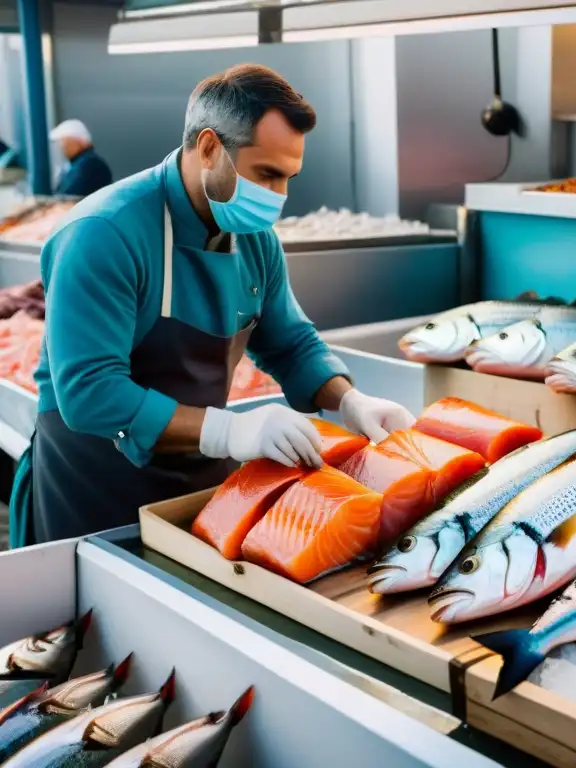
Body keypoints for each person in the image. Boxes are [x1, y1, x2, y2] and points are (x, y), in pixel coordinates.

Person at [10, 64, 416, 546]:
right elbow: (90, 392)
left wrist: (349, 399)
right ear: (208, 149)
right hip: (91, 483)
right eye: (266, 174)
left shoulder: (254, 239)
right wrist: (227, 432)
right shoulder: (104, 233)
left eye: (289, 178)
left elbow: (290, 341)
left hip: (194, 476)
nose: (278, 197)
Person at [49, 119, 113, 197]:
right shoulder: (78, 164)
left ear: (79, 140)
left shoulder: (90, 164)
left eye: (65, 141)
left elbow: (70, 194)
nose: (62, 146)